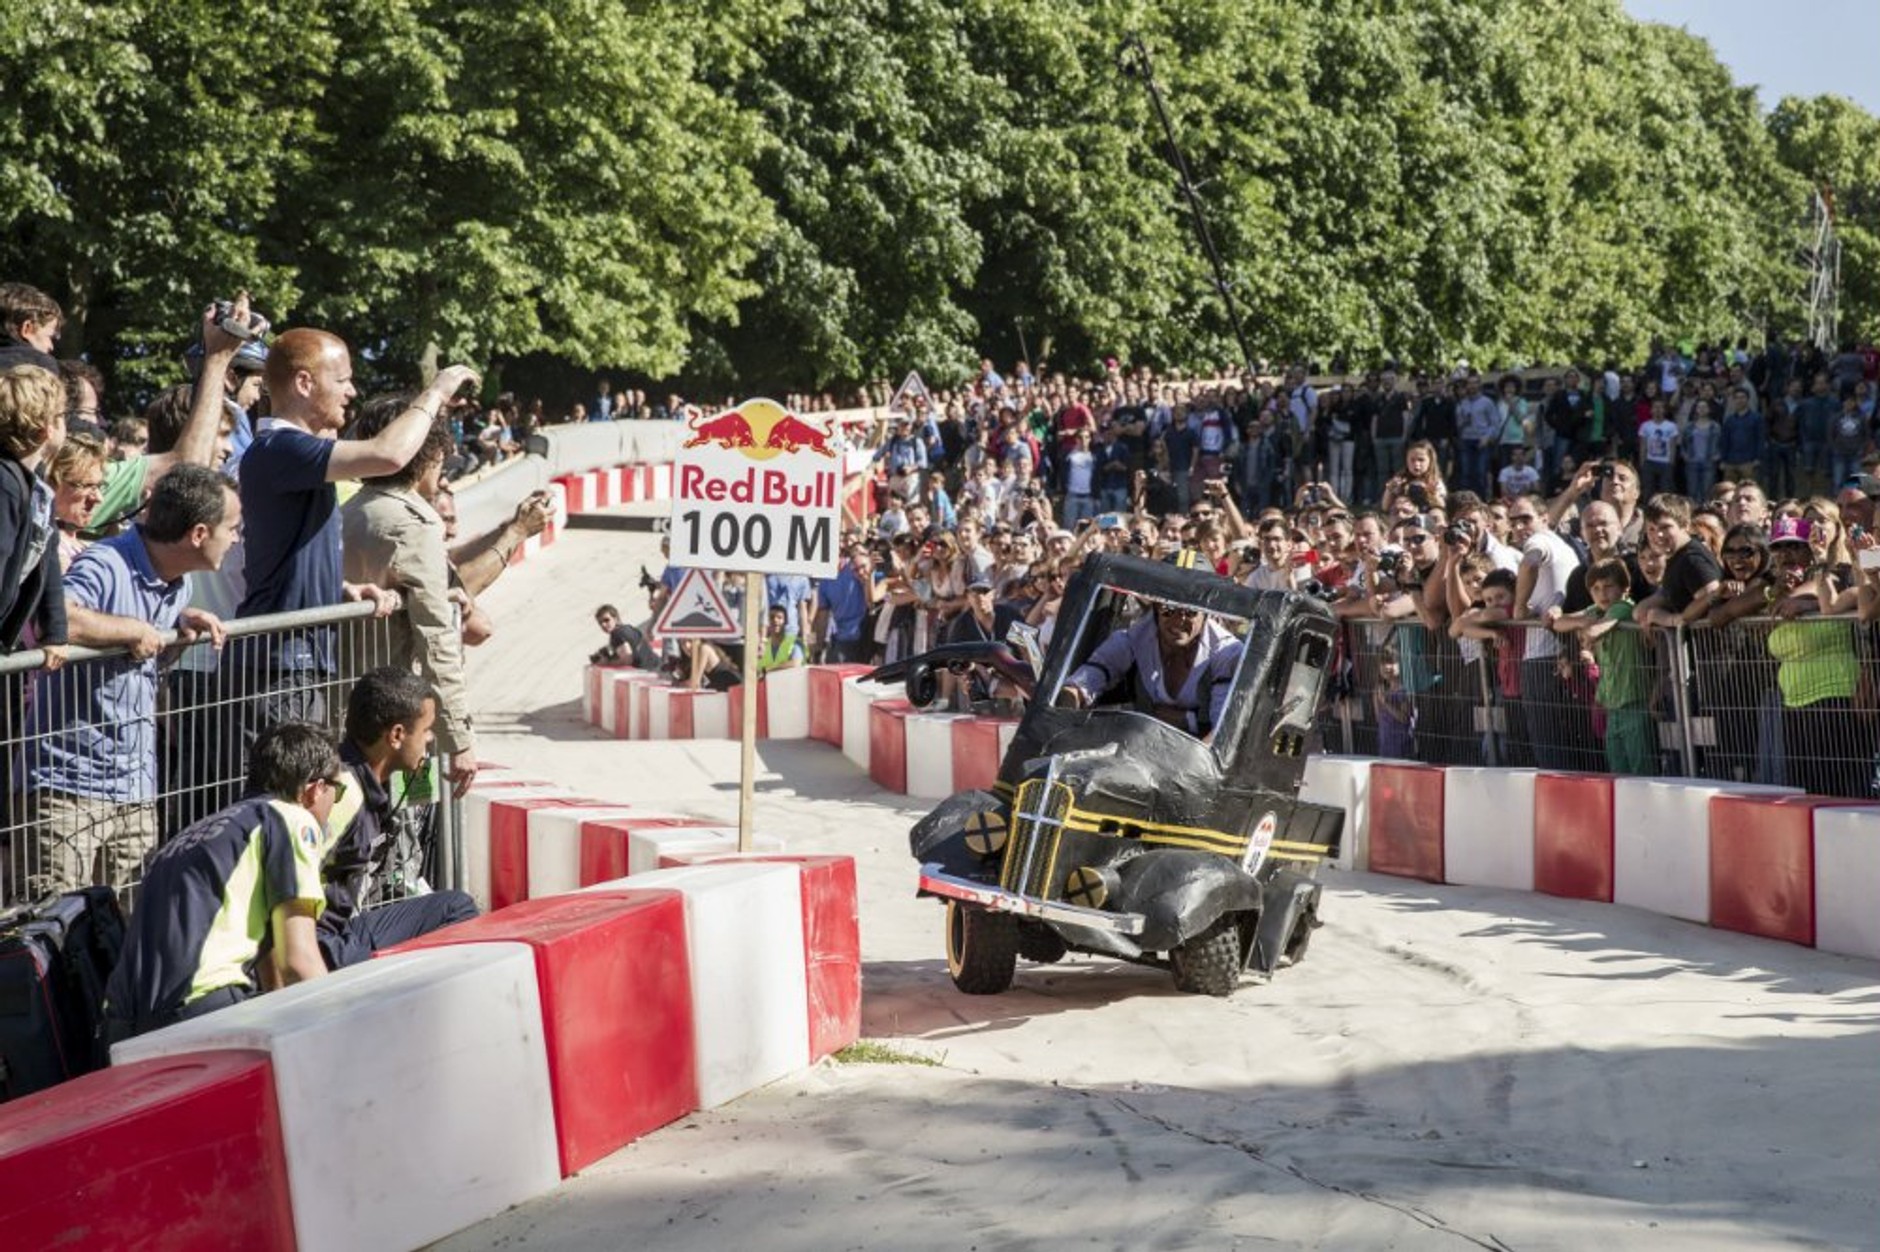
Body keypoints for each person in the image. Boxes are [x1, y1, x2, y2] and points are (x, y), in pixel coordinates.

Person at [232, 326, 475, 741]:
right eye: (342, 380)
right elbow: (388, 454)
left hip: (296, 666)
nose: (352, 392)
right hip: (280, 668)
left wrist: (339, 589)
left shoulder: (290, 455)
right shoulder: (280, 448)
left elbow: (288, 555)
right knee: (281, 801)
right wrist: (436, 392)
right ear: (305, 383)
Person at [21, 465, 236, 900]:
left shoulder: (179, 584)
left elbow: (144, 647)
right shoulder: (106, 561)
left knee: (131, 929)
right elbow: (58, 619)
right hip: (68, 788)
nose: (236, 538)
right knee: (55, 934)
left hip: (135, 789)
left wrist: (178, 623)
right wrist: (132, 629)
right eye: (232, 528)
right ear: (198, 533)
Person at [103, 721, 337, 1040]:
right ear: (315, 789)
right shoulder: (292, 819)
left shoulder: (190, 837)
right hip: (202, 1008)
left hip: (122, 1024)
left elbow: (273, 968)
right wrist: (340, 1035)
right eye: (339, 790)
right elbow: (299, 959)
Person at [339, 395, 478, 795]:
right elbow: (436, 636)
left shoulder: (349, 512)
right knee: (407, 833)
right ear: (427, 453)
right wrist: (459, 739)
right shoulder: (415, 522)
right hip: (401, 722)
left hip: (346, 705)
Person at [317, 668, 479, 969]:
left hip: (335, 931)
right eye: (426, 730)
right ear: (396, 736)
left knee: (455, 905)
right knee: (455, 912)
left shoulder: (353, 779)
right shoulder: (343, 796)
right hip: (317, 946)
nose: (430, 740)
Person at [1060, 584, 1244, 739]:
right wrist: (1068, 707)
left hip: (1198, 761)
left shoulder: (1227, 651)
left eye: (1190, 611)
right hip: (1139, 746)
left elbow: (1223, 732)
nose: (1179, 620)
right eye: (1169, 610)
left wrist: (1188, 720)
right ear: (1156, 608)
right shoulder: (1132, 639)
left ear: (1206, 614)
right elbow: (1085, 681)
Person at [1547, 559, 1652, 775]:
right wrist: (1579, 621)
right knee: (1617, 769)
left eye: (1608, 586)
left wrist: (1586, 627)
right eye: (1595, 589)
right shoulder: (1595, 610)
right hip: (1611, 704)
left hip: (1634, 700)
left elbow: (1599, 629)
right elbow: (1558, 624)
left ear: (1625, 589)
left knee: (1641, 770)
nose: (1602, 593)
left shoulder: (1623, 607)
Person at [0, 363, 68, 658]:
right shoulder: (5, 484)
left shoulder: (39, 491)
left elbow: (48, 557)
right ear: (46, 430)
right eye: (63, 416)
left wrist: (55, 633)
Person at [591, 603, 658, 667]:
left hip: (649, 672)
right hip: (657, 666)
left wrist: (606, 663)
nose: (603, 625)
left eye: (606, 620)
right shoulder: (629, 627)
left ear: (615, 618)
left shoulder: (616, 634)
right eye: (600, 623)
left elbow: (627, 660)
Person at [756, 603, 804, 674]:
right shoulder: (762, 645)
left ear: (786, 621)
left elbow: (796, 664)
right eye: (772, 617)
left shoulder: (793, 643)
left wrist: (769, 669)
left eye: (779, 617)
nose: (775, 620)